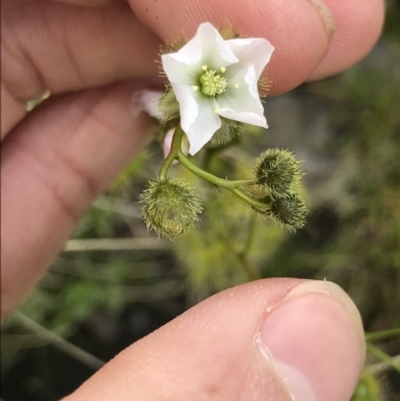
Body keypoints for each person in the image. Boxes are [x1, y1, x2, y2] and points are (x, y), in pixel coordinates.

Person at [1, 0, 385, 399]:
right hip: (187, 89)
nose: (216, 81)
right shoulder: (192, 73)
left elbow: (239, 71)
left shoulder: (228, 86)